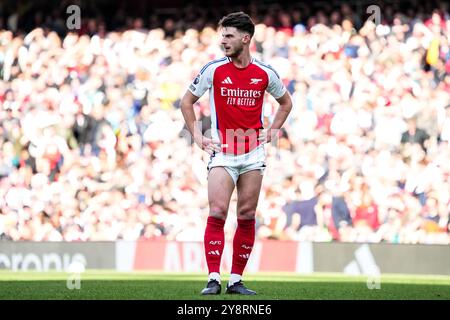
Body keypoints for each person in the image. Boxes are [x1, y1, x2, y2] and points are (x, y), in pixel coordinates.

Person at [180, 12, 293, 295]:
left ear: (246, 39)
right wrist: (196, 135)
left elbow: (285, 103)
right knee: (217, 211)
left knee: (246, 214)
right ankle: (213, 278)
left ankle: (236, 280)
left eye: (229, 36)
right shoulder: (214, 69)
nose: (223, 42)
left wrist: (273, 131)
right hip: (223, 152)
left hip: (253, 153)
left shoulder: (265, 73)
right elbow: (187, 101)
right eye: (222, 36)